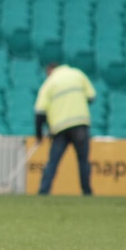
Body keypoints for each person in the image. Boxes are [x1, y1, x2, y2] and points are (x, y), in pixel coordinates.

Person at [34, 62, 96, 195]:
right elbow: (91, 97)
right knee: (83, 161)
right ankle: (87, 191)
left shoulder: (49, 83)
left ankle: (44, 190)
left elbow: (40, 112)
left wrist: (39, 135)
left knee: (53, 161)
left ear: (50, 70)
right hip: (80, 124)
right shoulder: (78, 74)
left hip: (60, 128)